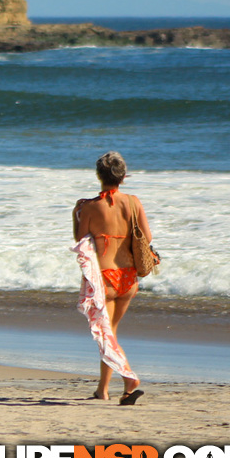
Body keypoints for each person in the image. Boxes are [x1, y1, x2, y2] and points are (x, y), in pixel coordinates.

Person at [73, 151, 150, 405]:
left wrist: (77, 213)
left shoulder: (90, 207)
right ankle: (102, 390)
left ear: (99, 176)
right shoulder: (134, 202)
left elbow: (80, 241)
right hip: (128, 277)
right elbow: (147, 239)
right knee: (110, 333)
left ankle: (129, 378)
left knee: (106, 335)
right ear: (123, 177)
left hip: (104, 278)